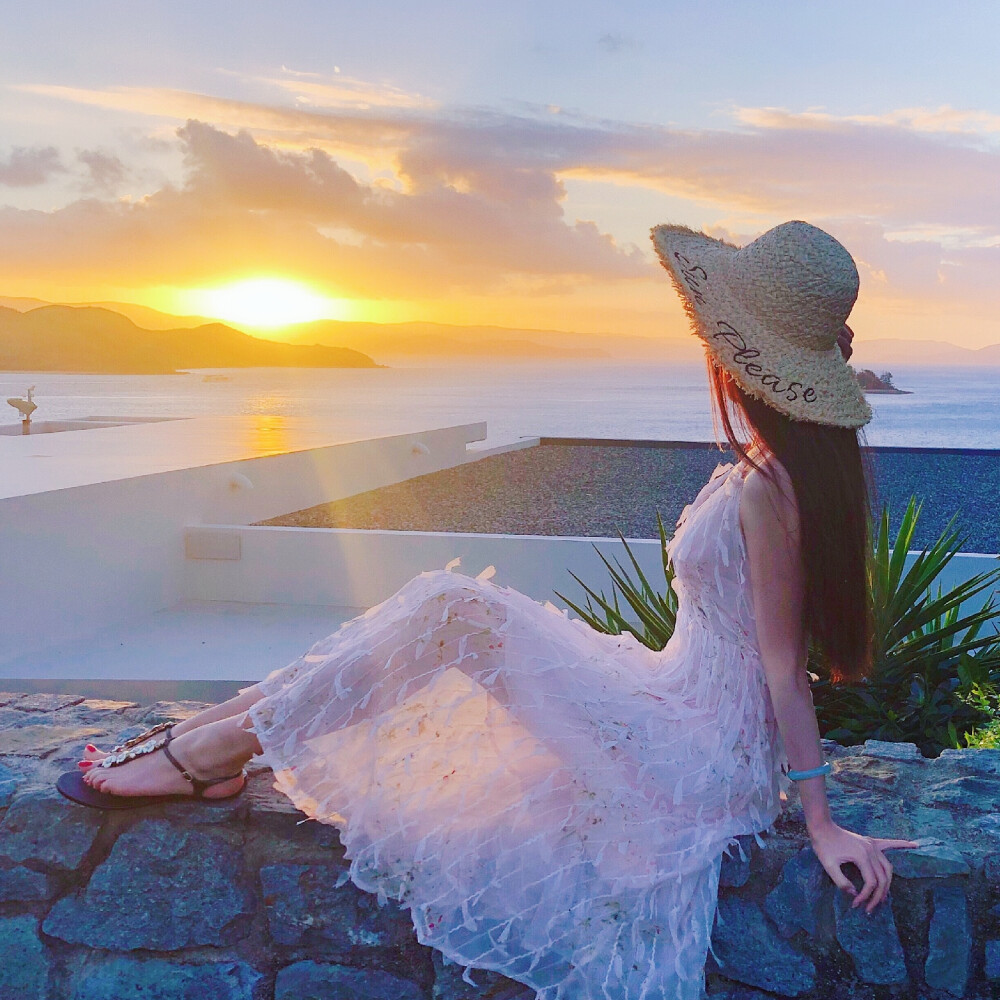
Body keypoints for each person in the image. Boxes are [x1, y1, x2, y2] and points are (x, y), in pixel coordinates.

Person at [58, 220, 918, 1000]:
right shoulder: (787, 470)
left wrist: (819, 818)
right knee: (448, 607)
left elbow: (781, 667)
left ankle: (201, 753)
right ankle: (207, 740)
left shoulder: (771, 488)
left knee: (454, 609)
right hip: (678, 702)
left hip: (702, 753)